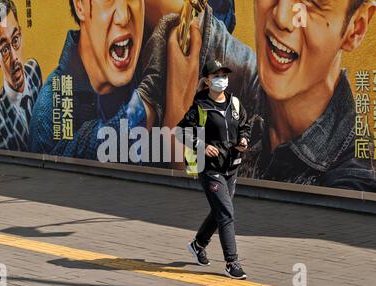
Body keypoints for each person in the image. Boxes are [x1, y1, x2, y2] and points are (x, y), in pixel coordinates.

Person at [144, 0, 376, 191]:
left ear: (355, 28)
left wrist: (179, 120)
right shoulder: (242, 75)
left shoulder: (354, 181)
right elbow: (183, 18)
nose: (282, 17)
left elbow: (194, 226)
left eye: (313, 3)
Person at [29, 0, 157, 160]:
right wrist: (144, 106)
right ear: (80, 6)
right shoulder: (49, 112)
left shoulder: (152, 59)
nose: (124, 16)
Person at [176, 60, 251, 280]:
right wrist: (202, 146)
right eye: (216, 75)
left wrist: (244, 139)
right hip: (209, 169)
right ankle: (232, 262)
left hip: (231, 167)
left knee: (219, 211)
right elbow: (181, 132)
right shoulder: (199, 107)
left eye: (224, 75)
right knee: (226, 212)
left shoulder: (235, 104)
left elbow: (245, 125)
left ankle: (198, 244)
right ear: (207, 80)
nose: (222, 79)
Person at [0, 0, 42, 151]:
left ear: (21, 35)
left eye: (15, 40)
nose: (14, 57)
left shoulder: (34, 71)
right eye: (4, 49)